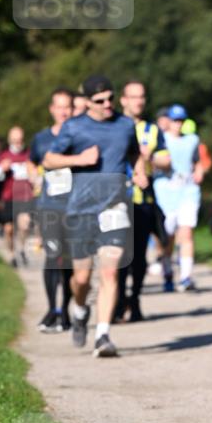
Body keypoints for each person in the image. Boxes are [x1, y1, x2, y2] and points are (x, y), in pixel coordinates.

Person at [43, 74, 146, 358]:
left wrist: (138, 170)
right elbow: (49, 160)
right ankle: (79, 309)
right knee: (82, 277)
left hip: (114, 207)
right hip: (80, 211)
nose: (107, 104)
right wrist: (78, 160)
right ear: (87, 102)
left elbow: (134, 153)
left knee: (110, 271)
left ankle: (102, 335)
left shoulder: (125, 125)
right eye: (100, 101)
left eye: (111, 98)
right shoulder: (74, 127)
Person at [115, 80, 170, 321]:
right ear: (123, 100)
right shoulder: (113, 127)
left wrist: (150, 158)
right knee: (117, 255)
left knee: (138, 256)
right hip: (116, 200)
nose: (138, 101)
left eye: (141, 97)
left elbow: (166, 160)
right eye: (133, 97)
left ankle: (135, 300)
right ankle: (117, 301)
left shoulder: (152, 130)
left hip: (144, 200)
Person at [29, 88, 75, 332]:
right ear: (52, 109)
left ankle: (66, 310)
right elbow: (31, 160)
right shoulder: (41, 138)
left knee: (67, 261)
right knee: (51, 256)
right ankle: (51, 308)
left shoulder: (80, 135)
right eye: (59, 106)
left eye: (67, 106)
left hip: (73, 205)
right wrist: (33, 178)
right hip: (49, 205)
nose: (63, 111)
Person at [153, 104, 204, 292]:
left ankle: (186, 277)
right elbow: (153, 161)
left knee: (186, 233)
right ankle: (167, 273)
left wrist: (199, 172)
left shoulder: (192, 140)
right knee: (167, 238)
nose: (178, 124)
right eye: (175, 120)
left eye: (181, 120)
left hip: (188, 192)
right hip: (165, 194)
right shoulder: (161, 140)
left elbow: (197, 162)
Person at [0, 126, 34, 267]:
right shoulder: (4, 155)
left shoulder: (29, 154)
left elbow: (37, 172)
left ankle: (21, 248)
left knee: (25, 224)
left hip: (25, 196)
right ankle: (11, 254)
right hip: (9, 196)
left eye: (20, 140)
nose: (18, 143)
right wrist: (1, 169)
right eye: (15, 140)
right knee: (9, 229)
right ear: (10, 140)